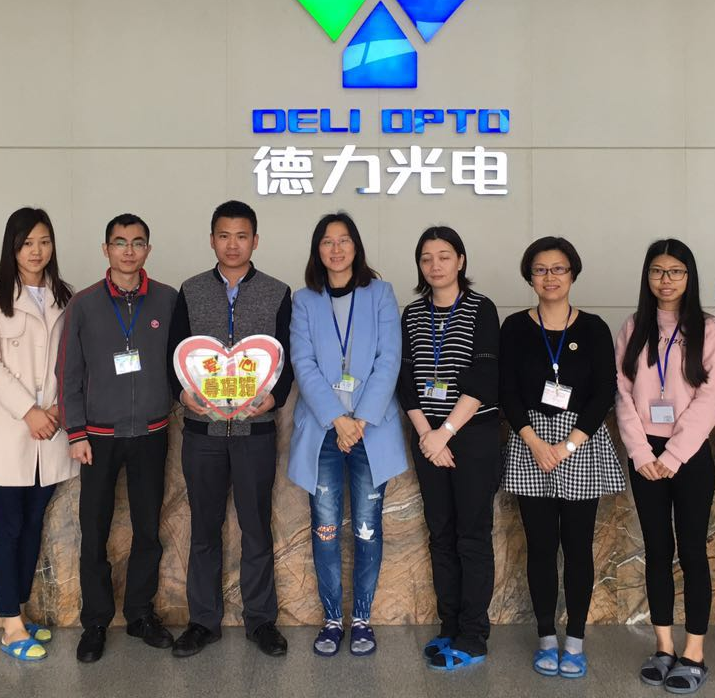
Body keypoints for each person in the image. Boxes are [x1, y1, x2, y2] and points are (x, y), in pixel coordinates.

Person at [166, 200, 294, 658]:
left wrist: (274, 398)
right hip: (202, 433)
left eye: (242, 236)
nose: (233, 244)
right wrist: (183, 396)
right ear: (212, 240)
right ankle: (203, 621)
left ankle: (261, 621)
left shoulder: (278, 292)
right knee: (204, 528)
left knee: (256, 527)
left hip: (255, 433)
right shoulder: (191, 290)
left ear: (255, 241)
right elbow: (174, 355)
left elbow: (288, 360)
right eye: (224, 235)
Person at [498, 235, 625, 679]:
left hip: (580, 443)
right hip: (529, 440)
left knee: (577, 547)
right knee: (540, 547)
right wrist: (534, 442)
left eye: (558, 268)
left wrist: (568, 444)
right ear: (529, 277)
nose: (549, 277)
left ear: (572, 273)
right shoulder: (515, 327)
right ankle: (546, 638)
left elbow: (604, 391)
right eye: (540, 269)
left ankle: (575, 641)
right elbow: (506, 390)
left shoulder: (593, 328)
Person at [57, 214, 179, 663]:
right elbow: (68, 373)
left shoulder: (168, 300)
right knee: (95, 531)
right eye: (120, 242)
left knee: (148, 529)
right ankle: (95, 621)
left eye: (138, 243)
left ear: (148, 250)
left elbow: (182, 362)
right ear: (105, 249)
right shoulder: (84, 304)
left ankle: (141, 614)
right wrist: (75, 432)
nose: (129, 251)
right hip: (98, 437)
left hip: (151, 433)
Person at [287, 212, 406, 658]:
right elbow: (303, 362)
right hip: (324, 432)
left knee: (367, 529)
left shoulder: (380, 294)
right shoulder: (304, 300)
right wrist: (338, 419)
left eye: (344, 240)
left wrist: (360, 421)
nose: (335, 249)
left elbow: (389, 360)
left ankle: (362, 620)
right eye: (327, 241)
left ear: (356, 246)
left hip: (371, 432)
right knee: (325, 529)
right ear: (317, 250)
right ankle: (332, 619)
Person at [615, 239, 715, 693]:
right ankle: (663, 646)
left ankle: (694, 652)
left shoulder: (708, 329)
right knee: (657, 551)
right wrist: (643, 454)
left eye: (676, 271)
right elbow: (622, 393)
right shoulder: (633, 327)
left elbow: (711, 397)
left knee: (693, 551)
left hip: (690, 454)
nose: (666, 280)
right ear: (647, 276)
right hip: (645, 457)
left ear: (689, 276)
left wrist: (674, 454)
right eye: (658, 271)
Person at [0, 207, 76, 662]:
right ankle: (9, 625)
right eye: (27, 243)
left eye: (44, 242)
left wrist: (56, 409)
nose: (36, 251)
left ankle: (20, 610)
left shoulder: (65, 295)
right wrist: (29, 411)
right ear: (12, 247)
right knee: (9, 525)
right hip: (12, 427)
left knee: (34, 523)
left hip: (51, 426)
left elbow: (73, 361)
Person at [396, 226, 500, 671]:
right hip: (428, 437)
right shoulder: (412, 314)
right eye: (426, 258)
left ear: (460, 260)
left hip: (472, 436)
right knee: (440, 535)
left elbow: (483, 378)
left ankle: (473, 635)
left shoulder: (481, 308)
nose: (435, 265)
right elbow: (405, 379)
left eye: (443, 256)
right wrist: (427, 435)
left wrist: (446, 432)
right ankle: (449, 625)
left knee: (471, 536)